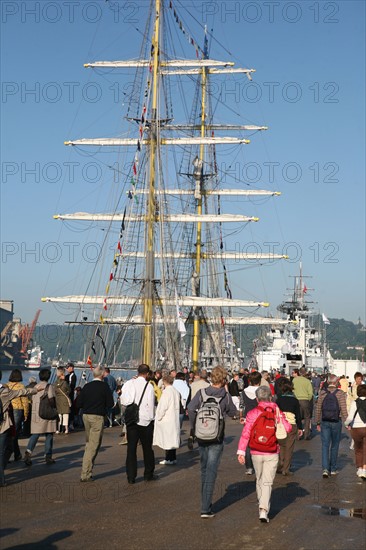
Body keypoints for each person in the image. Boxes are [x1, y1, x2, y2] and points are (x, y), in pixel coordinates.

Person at [188, 366, 237, 518]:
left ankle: (205, 501)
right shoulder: (225, 396)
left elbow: (190, 408)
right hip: (217, 436)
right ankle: (205, 508)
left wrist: (194, 425)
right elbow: (233, 412)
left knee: (204, 469)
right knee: (211, 471)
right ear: (223, 380)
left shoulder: (201, 393)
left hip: (202, 435)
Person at [237, 386, 291, 523]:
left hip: (255, 451)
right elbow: (288, 428)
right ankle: (263, 509)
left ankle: (262, 503)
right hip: (272, 450)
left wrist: (241, 451)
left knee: (259, 478)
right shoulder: (276, 411)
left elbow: (246, 433)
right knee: (267, 481)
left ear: (257, 399)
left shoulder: (253, 413)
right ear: (271, 397)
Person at [0, 372, 40, 487]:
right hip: (2, 425)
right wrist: (35, 390)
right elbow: (22, 393)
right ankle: (1, 480)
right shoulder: (5, 391)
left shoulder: (7, 386)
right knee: (2, 451)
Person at [120, 364, 156, 484]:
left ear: (138, 371)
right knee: (147, 449)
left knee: (131, 449)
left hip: (132, 421)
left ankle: (131, 476)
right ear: (147, 374)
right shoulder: (149, 386)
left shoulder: (130, 383)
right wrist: (152, 419)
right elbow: (151, 405)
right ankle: (148, 474)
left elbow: (124, 400)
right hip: (145, 421)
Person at [77, 365, 114, 482]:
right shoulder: (104, 387)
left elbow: (78, 403)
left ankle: (87, 469)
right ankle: (85, 473)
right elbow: (110, 403)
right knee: (93, 445)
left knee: (89, 442)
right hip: (97, 416)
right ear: (102, 374)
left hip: (86, 415)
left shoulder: (87, 386)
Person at [315, 373, 348, 477]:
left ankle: (325, 469)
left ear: (328, 382)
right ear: (336, 382)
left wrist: (317, 422)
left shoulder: (322, 393)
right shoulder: (340, 393)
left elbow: (318, 408)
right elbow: (343, 409)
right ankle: (333, 469)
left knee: (325, 445)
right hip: (336, 422)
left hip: (324, 421)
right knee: (334, 445)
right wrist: (347, 423)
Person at [24, 368, 58, 467]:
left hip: (36, 413)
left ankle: (28, 452)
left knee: (35, 435)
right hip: (47, 413)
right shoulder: (49, 386)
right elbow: (51, 400)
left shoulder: (36, 386)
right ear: (48, 376)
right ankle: (48, 456)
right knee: (49, 435)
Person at [276, 377, 303, 476]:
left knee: (281, 445)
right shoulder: (295, 400)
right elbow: (298, 415)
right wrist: (300, 428)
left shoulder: (279, 400)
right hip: (291, 425)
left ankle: (281, 462)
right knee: (289, 447)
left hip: (280, 425)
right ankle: (286, 469)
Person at [153, 374, 180, 465]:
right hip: (174, 418)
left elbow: (163, 406)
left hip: (167, 418)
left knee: (167, 440)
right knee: (172, 439)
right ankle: (173, 457)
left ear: (164, 382)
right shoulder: (175, 391)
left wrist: (158, 416)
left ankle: (168, 458)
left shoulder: (166, 392)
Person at [240, 371, 262, 475]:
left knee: (248, 443)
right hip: (260, 419)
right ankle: (259, 465)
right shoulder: (262, 391)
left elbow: (241, 405)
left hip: (248, 418)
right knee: (260, 441)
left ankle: (249, 467)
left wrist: (241, 416)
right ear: (259, 380)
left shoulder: (244, 391)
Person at [7, 369, 30, 461]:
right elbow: (25, 402)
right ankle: (13, 454)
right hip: (18, 410)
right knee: (15, 434)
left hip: (8, 410)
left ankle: (15, 454)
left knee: (9, 433)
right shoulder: (21, 386)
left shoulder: (7, 385)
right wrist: (26, 414)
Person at [345, 384, 366, 479]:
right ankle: (365, 469)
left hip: (356, 428)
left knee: (358, 449)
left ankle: (359, 468)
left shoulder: (354, 402)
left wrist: (346, 424)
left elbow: (350, 417)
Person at [292, 366, 314, 440]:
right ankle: (306, 435)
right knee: (307, 418)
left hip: (296, 400)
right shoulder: (307, 381)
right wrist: (307, 399)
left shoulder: (294, 380)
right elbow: (310, 393)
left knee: (297, 418)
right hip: (305, 400)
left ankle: (298, 435)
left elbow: (292, 391)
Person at [54, 367, 71, 434]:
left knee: (59, 415)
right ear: (62, 375)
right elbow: (69, 390)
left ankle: (58, 429)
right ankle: (66, 429)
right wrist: (66, 393)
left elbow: (54, 391)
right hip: (64, 400)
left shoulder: (55, 383)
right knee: (65, 415)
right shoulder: (65, 383)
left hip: (58, 400)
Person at [65, 363, 77, 431]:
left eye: (68, 367)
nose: (67, 369)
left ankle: (71, 423)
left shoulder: (73, 376)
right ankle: (68, 423)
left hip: (70, 394)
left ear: (71, 368)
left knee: (71, 408)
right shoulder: (68, 376)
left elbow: (72, 386)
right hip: (68, 394)